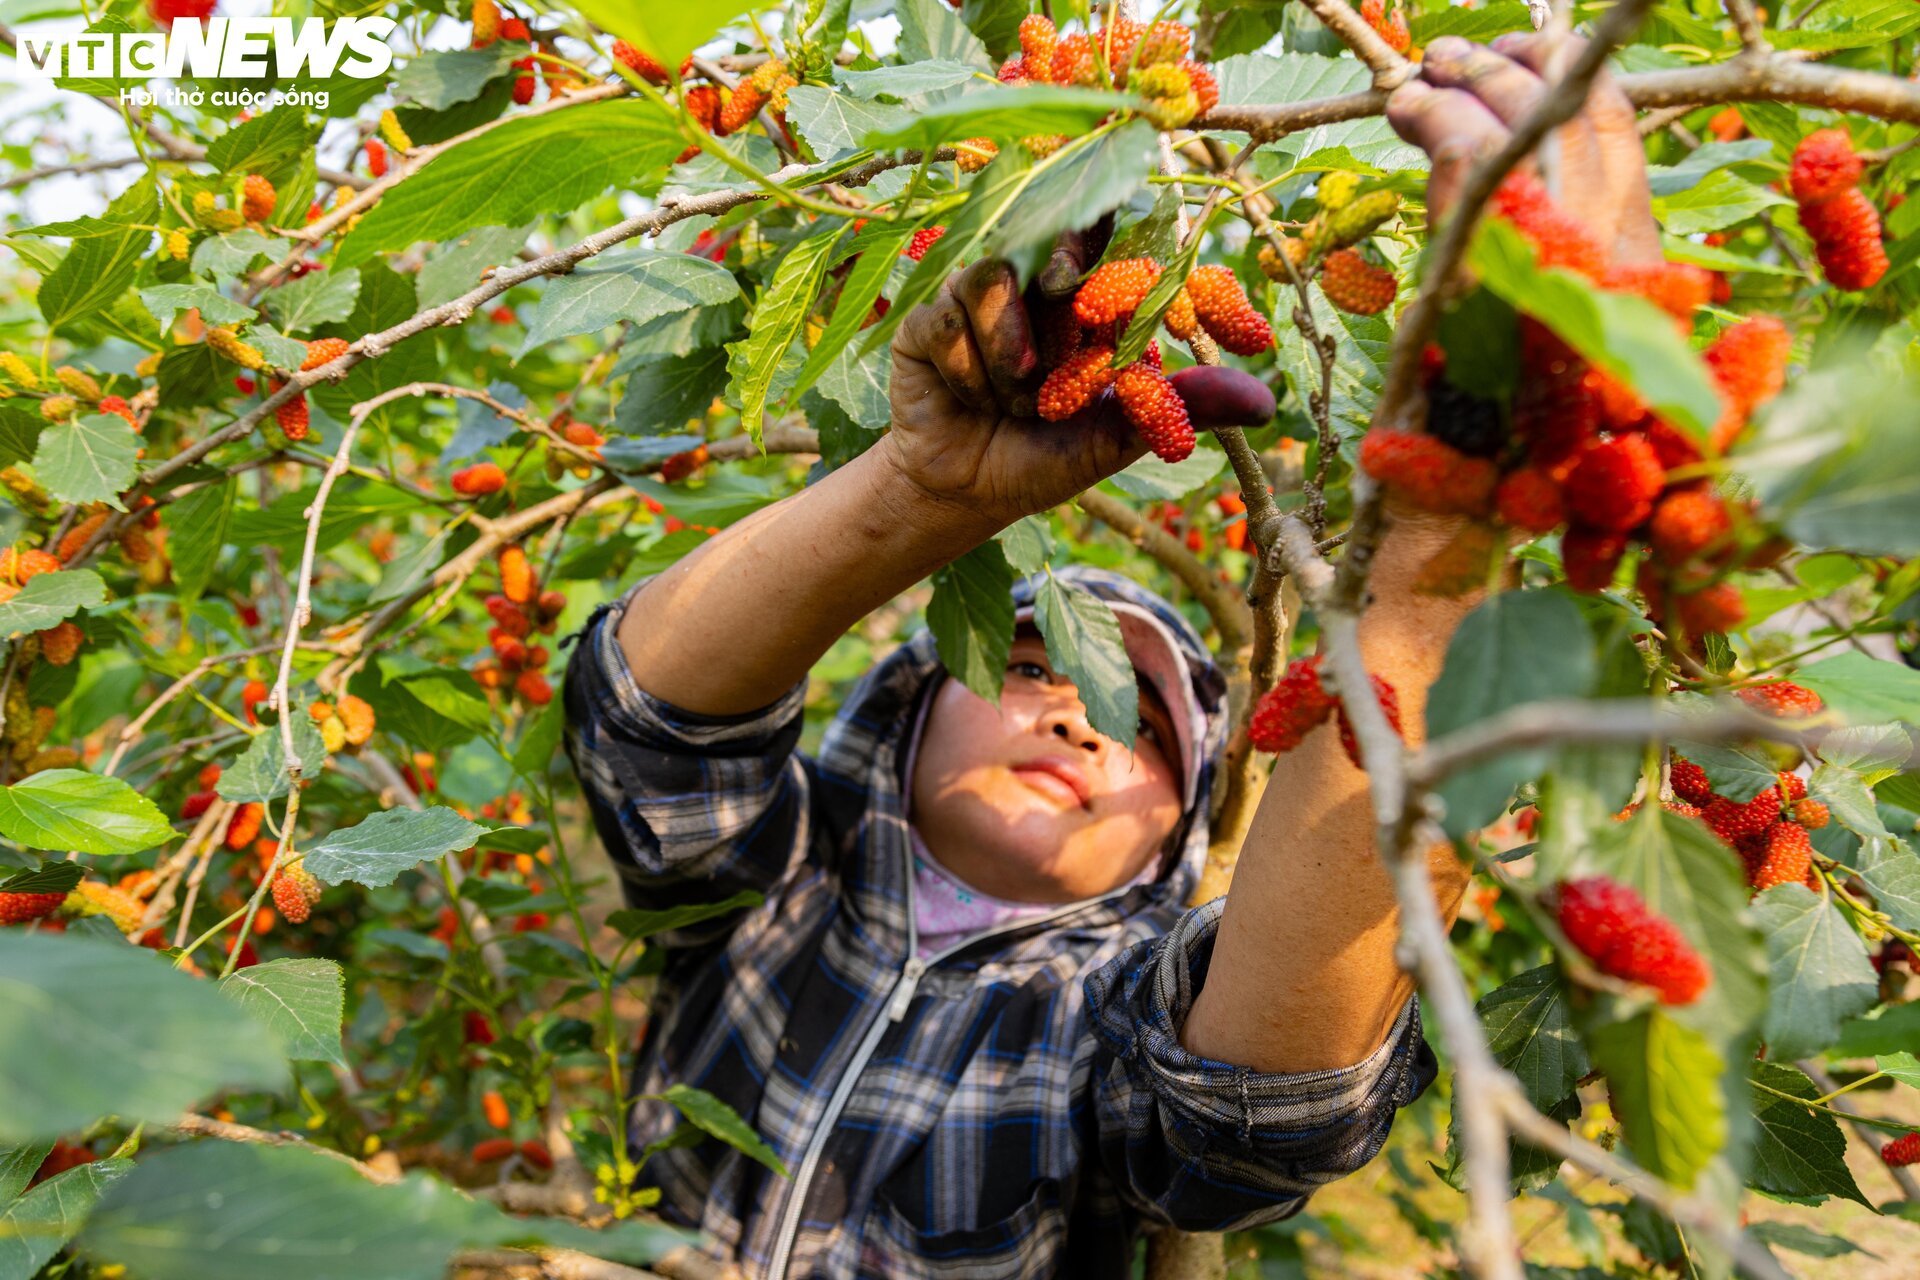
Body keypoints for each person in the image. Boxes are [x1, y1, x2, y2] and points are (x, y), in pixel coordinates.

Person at [563, 33, 1661, 1279]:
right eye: (1036, 668)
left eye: (1147, 729)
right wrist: (915, 496)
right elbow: (648, 721)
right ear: (907, 717)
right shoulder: (777, 884)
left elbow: (1264, 1096)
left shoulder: (1103, 1016)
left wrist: (1452, 519)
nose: (1088, 723)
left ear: (1180, 836)